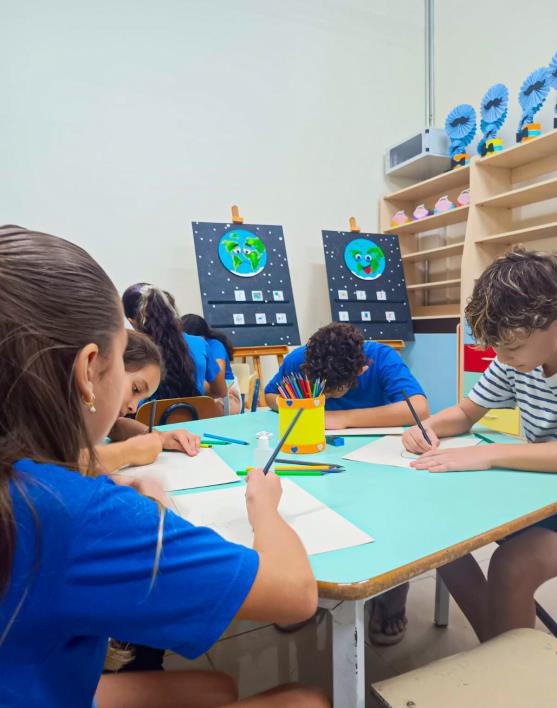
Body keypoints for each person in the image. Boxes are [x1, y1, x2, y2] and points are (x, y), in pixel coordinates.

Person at [0, 225, 328, 708]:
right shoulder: (72, 512)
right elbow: (297, 595)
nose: (130, 406)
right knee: (307, 702)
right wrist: (265, 510)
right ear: (91, 368)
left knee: (215, 687)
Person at [402, 248, 557, 642]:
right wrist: (427, 427)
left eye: (513, 348)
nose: (503, 358)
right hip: (542, 490)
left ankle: (507, 667)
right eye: (498, 349)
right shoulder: (513, 359)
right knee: (441, 536)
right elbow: (467, 412)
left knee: (512, 565)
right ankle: (498, 647)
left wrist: (484, 454)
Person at [265, 322, 429, 645]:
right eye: (323, 386)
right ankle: (306, 588)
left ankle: (392, 595)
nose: (329, 394)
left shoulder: (381, 358)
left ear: (363, 367)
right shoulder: (299, 360)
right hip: (318, 458)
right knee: (303, 511)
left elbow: (419, 408)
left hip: (378, 462)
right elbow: (271, 394)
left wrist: (343, 418)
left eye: (338, 388)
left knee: (390, 518)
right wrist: (299, 407)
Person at [94, 330, 201, 475]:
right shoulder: (62, 402)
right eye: (135, 389)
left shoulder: (95, 411)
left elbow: (114, 426)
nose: (133, 408)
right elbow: (66, 464)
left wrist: (159, 437)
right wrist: (128, 452)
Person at [122, 283, 227, 402]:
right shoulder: (200, 344)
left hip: (146, 420)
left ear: (132, 321)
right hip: (196, 418)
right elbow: (221, 391)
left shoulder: (131, 349)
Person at [181, 314, 241, 414]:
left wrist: (196, 383)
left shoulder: (214, 345)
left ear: (203, 337)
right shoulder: (181, 345)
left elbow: (218, 377)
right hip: (206, 393)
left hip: (227, 394)